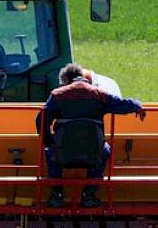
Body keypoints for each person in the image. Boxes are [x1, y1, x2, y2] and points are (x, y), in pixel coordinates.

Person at [37, 63, 146, 207]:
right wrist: (138, 105)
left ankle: (57, 194)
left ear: (66, 80)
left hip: (63, 150)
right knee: (106, 150)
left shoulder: (57, 95)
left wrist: (48, 141)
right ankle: (89, 193)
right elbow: (123, 105)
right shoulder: (99, 94)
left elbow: (41, 119)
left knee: (50, 152)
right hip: (93, 151)